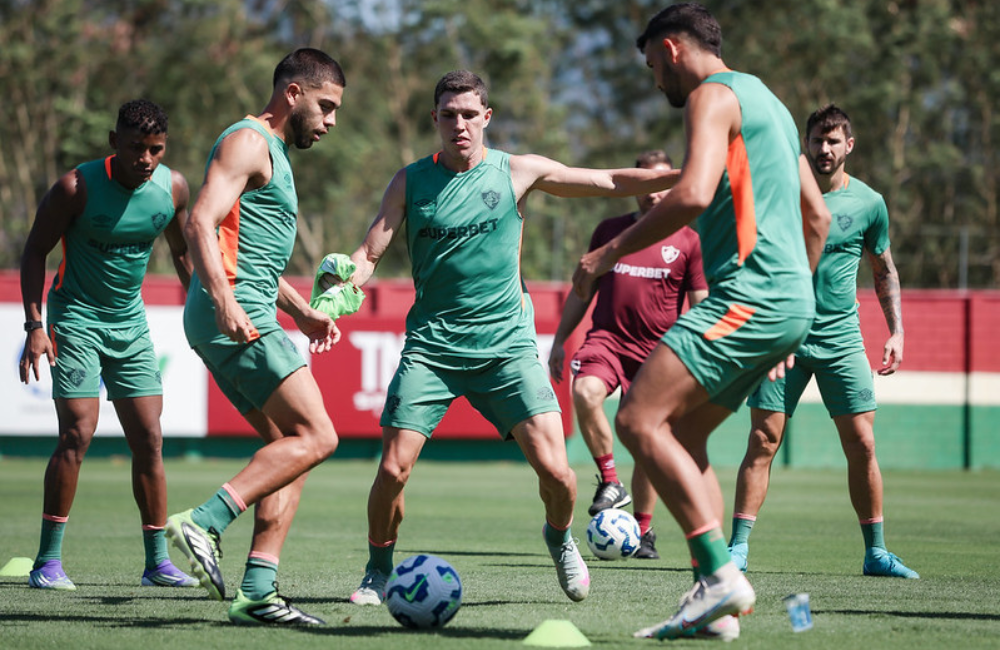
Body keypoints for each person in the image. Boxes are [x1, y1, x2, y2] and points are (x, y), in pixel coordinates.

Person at [344, 69, 681, 608]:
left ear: (487, 117)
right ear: (434, 119)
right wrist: (344, 283)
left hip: (507, 348)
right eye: (448, 115)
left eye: (469, 114)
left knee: (560, 476)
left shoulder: (517, 171)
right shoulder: (409, 181)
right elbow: (369, 253)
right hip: (433, 348)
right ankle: (378, 570)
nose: (459, 124)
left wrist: (693, 174)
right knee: (392, 469)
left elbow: (608, 181)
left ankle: (559, 538)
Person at [572, 3, 831, 641]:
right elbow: (818, 218)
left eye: (652, 67)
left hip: (748, 297)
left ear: (671, 49)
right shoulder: (771, 103)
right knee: (685, 437)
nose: (656, 81)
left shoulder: (710, 97)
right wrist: (791, 310)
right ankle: (717, 606)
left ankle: (719, 575)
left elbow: (690, 193)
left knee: (637, 419)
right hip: (786, 302)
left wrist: (607, 254)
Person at [165, 48, 346, 626]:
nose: (330, 121)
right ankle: (203, 522)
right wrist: (223, 301)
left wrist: (303, 313)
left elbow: (255, 260)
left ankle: (258, 593)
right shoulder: (248, 141)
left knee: (289, 453)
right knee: (319, 436)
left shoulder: (276, 155)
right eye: (325, 106)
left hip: (245, 308)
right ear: (293, 93)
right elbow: (199, 220)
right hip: (235, 314)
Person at [727, 105, 918, 579]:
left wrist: (896, 330)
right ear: (806, 144)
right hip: (783, 338)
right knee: (763, 439)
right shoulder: (780, 193)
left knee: (863, 443)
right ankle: (737, 549)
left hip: (841, 341)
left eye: (833, 141)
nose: (825, 149)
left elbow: (883, 270)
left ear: (848, 145)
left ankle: (876, 553)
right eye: (817, 140)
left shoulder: (869, 203)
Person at [18, 99, 197, 591]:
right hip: (75, 318)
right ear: (114, 141)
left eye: (156, 149)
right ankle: (47, 563)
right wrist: (35, 326)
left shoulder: (173, 189)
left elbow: (182, 254)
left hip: (130, 325)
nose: (146, 158)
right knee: (77, 434)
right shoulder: (75, 188)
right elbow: (34, 251)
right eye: (136, 147)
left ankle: (157, 565)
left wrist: (206, 311)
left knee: (150, 439)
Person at [548, 149, 708, 560]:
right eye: (645, 184)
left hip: (658, 354)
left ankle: (643, 531)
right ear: (634, 186)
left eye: (662, 184)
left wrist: (700, 354)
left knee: (645, 438)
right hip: (607, 341)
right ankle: (610, 480)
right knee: (584, 393)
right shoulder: (609, 232)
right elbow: (582, 290)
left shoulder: (689, 240)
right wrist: (560, 339)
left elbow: (702, 306)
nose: (653, 193)